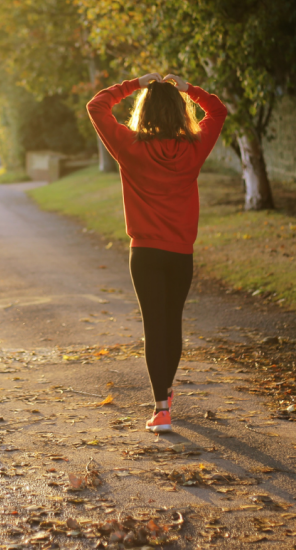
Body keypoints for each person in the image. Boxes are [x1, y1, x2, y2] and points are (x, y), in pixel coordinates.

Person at [86, 72, 227, 433]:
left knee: (154, 326)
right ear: (180, 113)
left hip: (145, 253)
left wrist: (134, 84)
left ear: (144, 112)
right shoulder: (194, 147)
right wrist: (189, 89)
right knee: (172, 323)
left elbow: (96, 106)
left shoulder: (129, 146)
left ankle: (161, 408)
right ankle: (164, 394)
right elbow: (218, 110)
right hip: (180, 253)